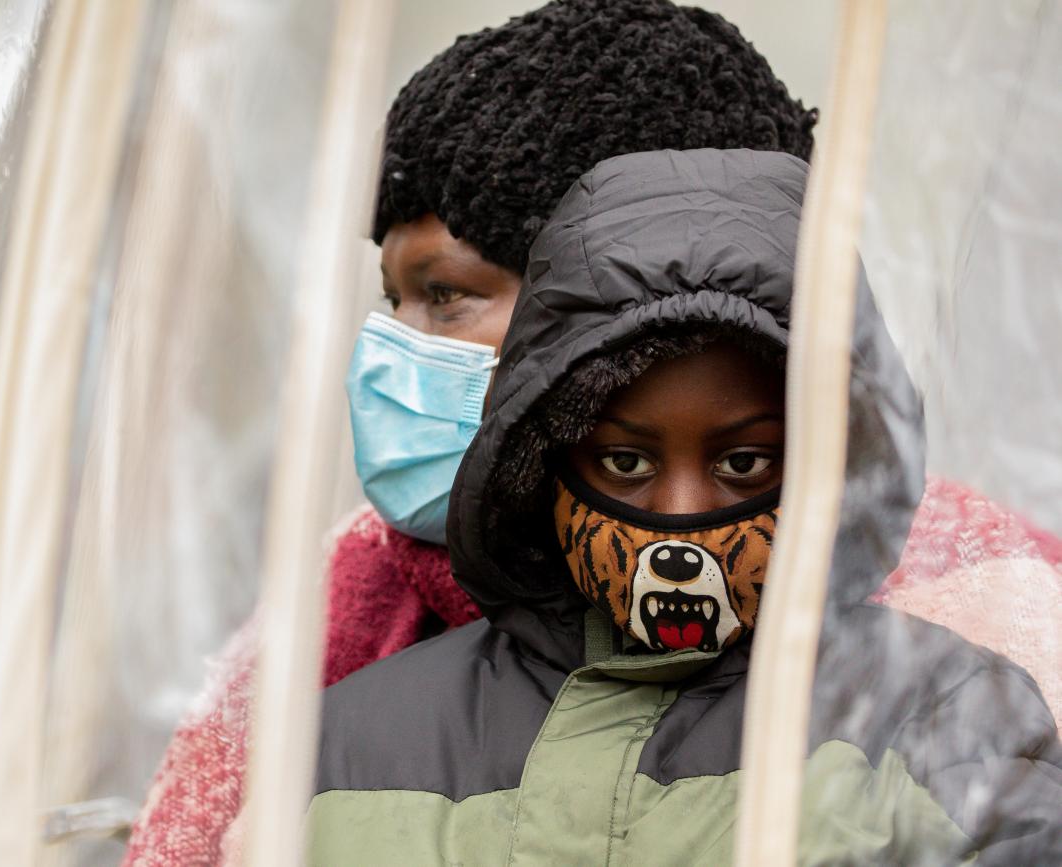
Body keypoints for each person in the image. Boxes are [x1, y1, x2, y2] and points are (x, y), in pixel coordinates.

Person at [124, 2, 1062, 863]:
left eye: (447, 297)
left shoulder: (962, 640)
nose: (394, 353)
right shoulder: (342, 625)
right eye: (396, 298)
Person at [308, 148, 1062, 864]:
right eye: (625, 462)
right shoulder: (346, 746)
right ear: (542, 462)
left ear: (832, 466)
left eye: (744, 463)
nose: (682, 511)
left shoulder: (947, 717)